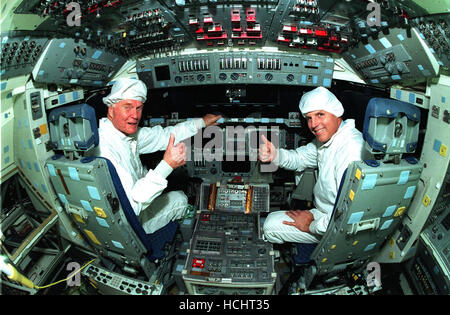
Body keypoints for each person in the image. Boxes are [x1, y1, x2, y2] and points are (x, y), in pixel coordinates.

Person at [96, 77, 221, 234]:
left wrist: (201, 123)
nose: (134, 115)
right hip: (129, 225)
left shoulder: (122, 135)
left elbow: (164, 136)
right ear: (111, 109)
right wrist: (167, 165)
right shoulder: (106, 150)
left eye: (138, 108)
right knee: (181, 200)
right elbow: (132, 206)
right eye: (127, 107)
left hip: (139, 203)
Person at [259, 86, 368, 244]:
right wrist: (276, 155)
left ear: (336, 112)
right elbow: (300, 158)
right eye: (309, 118)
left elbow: (347, 213)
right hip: (323, 213)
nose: (313, 124)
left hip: (335, 224)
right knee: (272, 220)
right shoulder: (329, 139)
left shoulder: (351, 150)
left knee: (269, 226)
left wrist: (311, 226)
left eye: (320, 115)